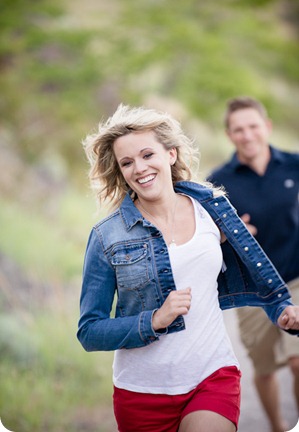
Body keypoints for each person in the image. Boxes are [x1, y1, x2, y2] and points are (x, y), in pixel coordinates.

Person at [77, 103, 299, 432]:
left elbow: (255, 266)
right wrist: (154, 320)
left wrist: (280, 306)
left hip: (212, 376)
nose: (139, 168)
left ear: (170, 154)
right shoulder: (106, 237)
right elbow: (89, 331)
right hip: (142, 392)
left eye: (147, 154)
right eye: (127, 162)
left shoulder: (212, 208)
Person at [208, 96, 299, 432]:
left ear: (267, 128)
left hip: (296, 276)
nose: (247, 135)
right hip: (253, 288)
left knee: (298, 360)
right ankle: (276, 425)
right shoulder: (219, 182)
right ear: (230, 135)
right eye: (238, 130)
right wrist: (229, 234)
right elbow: (208, 236)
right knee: (264, 369)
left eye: (253, 127)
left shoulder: (293, 164)